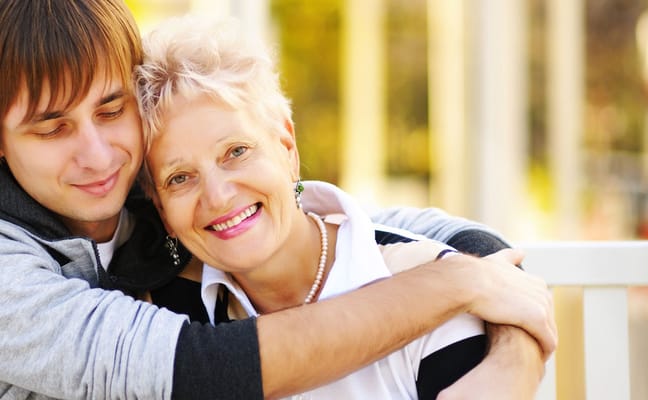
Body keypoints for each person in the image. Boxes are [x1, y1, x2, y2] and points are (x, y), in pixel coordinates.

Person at [0, 1, 555, 399]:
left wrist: (508, 339)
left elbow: (377, 226)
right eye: (51, 129)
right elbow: (204, 371)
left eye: (110, 110)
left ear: (287, 146)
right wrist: (456, 283)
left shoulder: (145, 211)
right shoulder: (21, 272)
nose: (98, 155)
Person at [134, 14, 511, 399]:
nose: (217, 196)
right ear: (162, 210)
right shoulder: (169, 319)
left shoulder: (435, 284)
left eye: (236, 151)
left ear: (287, 148)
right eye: (180, 177)